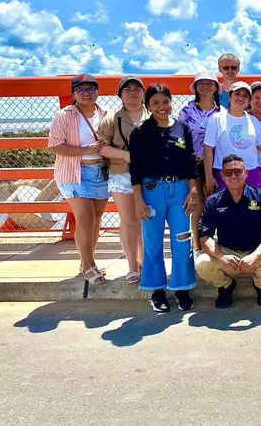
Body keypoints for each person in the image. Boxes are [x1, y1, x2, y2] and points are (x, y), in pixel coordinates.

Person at [130, 84, 199, 313]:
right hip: (152, 191)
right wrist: (139, 200)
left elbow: (190, 161)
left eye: (165, 101)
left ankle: (182, 287)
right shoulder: (140, 131)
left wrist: (193, 189)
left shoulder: (182, 128)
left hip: (180, 190)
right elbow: (136, 168)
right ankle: (156, 289)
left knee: (182, 238)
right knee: (152, 241)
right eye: (155, 103)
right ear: (148, 105)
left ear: (171, 101)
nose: (161, 107)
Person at [196, 154, 261, 308]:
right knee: (202, 263)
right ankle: (226, 286)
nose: (233, 176)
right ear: (222, 175)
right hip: (228, 255)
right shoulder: (213, 201)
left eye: (238, 171)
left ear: (246, 173)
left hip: (257, 254)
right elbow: (205, 237)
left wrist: (255, 255)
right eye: (228, 173)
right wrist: (222, 257)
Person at [48, 74, 109, 285]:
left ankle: (86, 263)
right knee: (85, 219)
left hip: (101, 171)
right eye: (81, 90)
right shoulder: (64, 115)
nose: (86, 93)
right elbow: (55, 145)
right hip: (75, 172)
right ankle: (89, 266)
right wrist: (85, 149)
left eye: (91, 89)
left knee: (97, 218)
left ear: (97, 91)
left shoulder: (104, 114)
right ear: (74, 93)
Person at [97, 75, 148, 284]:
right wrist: (126, 155)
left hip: (149, 174)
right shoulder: (111, 119)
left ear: (144, 93)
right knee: (128, 221)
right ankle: (132, 265)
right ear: (120, 94)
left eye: (137, 88)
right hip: (122, 174)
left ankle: (146, 261)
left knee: (147, 220)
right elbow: (102, 147)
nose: (133, 92)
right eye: (128, 89)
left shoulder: (153, 115)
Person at [203, 81, 261, 193]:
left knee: (253, 208)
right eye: (237, 94)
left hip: (251, 171)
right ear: (229, 96)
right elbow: (208, 149)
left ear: (249, 101)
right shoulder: (217, 119)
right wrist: (209, 177)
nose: (241, 98)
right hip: (226, 173)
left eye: (245, 96)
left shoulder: (254, 121)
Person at [177, 70, 221, 248]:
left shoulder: (221, 111)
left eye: (210, 82)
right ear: (195, 87)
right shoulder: (187, 111)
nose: (205, 86)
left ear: (216, 88)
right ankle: (198, 246)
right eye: (201, 82)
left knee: (216, 204)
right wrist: (188, 155)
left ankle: (216, 244)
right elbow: (179, 137)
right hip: (192, 164)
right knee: (198, 205)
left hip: (216, 163)